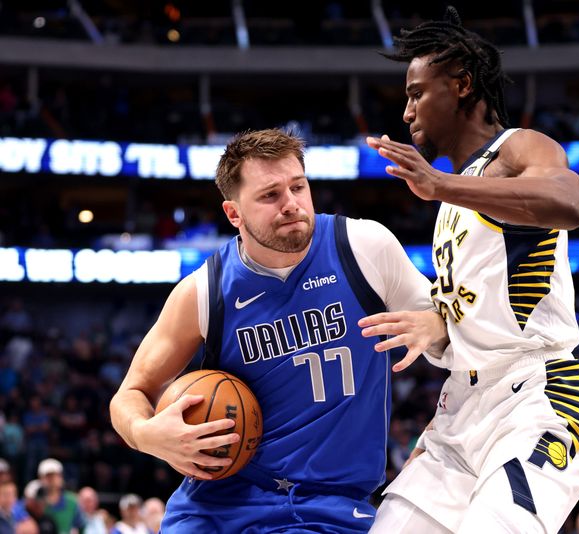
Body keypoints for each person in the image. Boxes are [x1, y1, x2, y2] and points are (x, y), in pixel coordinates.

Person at [109, 128, 447, 533]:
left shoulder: (362, 247)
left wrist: (437, 322)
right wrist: (147, 434)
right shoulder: (204, 291)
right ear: (234, 214)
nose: (291, 204)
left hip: (327, 507)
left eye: (298, 187)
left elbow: (457, 335)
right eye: (270, 195)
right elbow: (130, 393)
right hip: (216, 502)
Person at [365, 7, 579, 533]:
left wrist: (441, 185)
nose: (407, 112)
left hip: (537, 395)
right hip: (459, 409)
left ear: (462, 85)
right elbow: (482, 301)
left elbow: (570, 202)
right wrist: (439, 325)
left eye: (416, 93)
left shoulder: (516, 148)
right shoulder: (453, 194)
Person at [37, 458, 85, 534]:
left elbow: (82, 527)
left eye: (54, 476)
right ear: (41, 478)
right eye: (48, 476)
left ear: (61, 477)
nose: (51, 480)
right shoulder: (34, 501)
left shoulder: (72, 501)